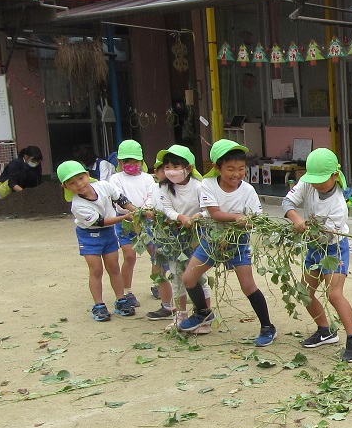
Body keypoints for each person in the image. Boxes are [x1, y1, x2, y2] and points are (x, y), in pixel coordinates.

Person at [177, 139, 276, 346]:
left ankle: (267, 327)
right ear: (217, 167)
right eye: (230, 169)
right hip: (212, 240)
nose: (237, 174)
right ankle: (203, 312)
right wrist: (238, 217)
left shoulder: (248, 190)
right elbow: (214, 213)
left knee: (248, 286)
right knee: (188, 278)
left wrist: (249, 222)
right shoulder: (208, 185)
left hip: (237, 242)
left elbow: (256, 218)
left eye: (241, 168)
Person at [282, 148, 352, 361]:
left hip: (333, 249)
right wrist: (297, 220)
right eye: (314, 180)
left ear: (335, 175)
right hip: (313, 247)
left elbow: (325, 237)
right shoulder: (307, 183)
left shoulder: (338, 206)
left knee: (334, 294)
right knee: (305, 292)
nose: (317, 185)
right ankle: (325, 330)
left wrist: (309, 230)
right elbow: (287, 203)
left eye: (322, 180)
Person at [56, 160, 135, 321]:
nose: (79, 184)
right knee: (96, 270)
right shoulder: (78, 205)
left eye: (81, 178)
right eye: (72, 183)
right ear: (65, 187)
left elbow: (120, 198)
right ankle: (99, 305)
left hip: (108, 233)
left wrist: (135, 210)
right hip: (89, 235)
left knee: (114, 267)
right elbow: (100, 221)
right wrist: (124, 217)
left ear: (87, 175)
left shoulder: (103, 186)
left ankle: (121, 300)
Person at [146, 145, 210, 329]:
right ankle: (180, 315)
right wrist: (180, 217)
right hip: (173, 237)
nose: (171, 171)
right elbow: (167, 209)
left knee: (199, 276)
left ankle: (205, 315)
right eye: (167, 167)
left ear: (188, 168)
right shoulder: (164, 188)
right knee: (176, 276)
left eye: (176, 166)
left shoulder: (200, 187)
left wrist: (198, 217)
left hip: (196, 236)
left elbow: (208, 209)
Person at [106, 139, 157, 313]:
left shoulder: (148, 178)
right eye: (127, 161)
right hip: (125, 221)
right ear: (120, 162)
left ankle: (158, 283)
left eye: (135, 161)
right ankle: (127, 291)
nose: (131, 164)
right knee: (129, 256)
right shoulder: (115, 179)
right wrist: (135, 211)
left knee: (156, 253)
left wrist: (146, 210)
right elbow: (119, 200)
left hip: (146, 221)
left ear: (141, 161)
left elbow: (151, 195)